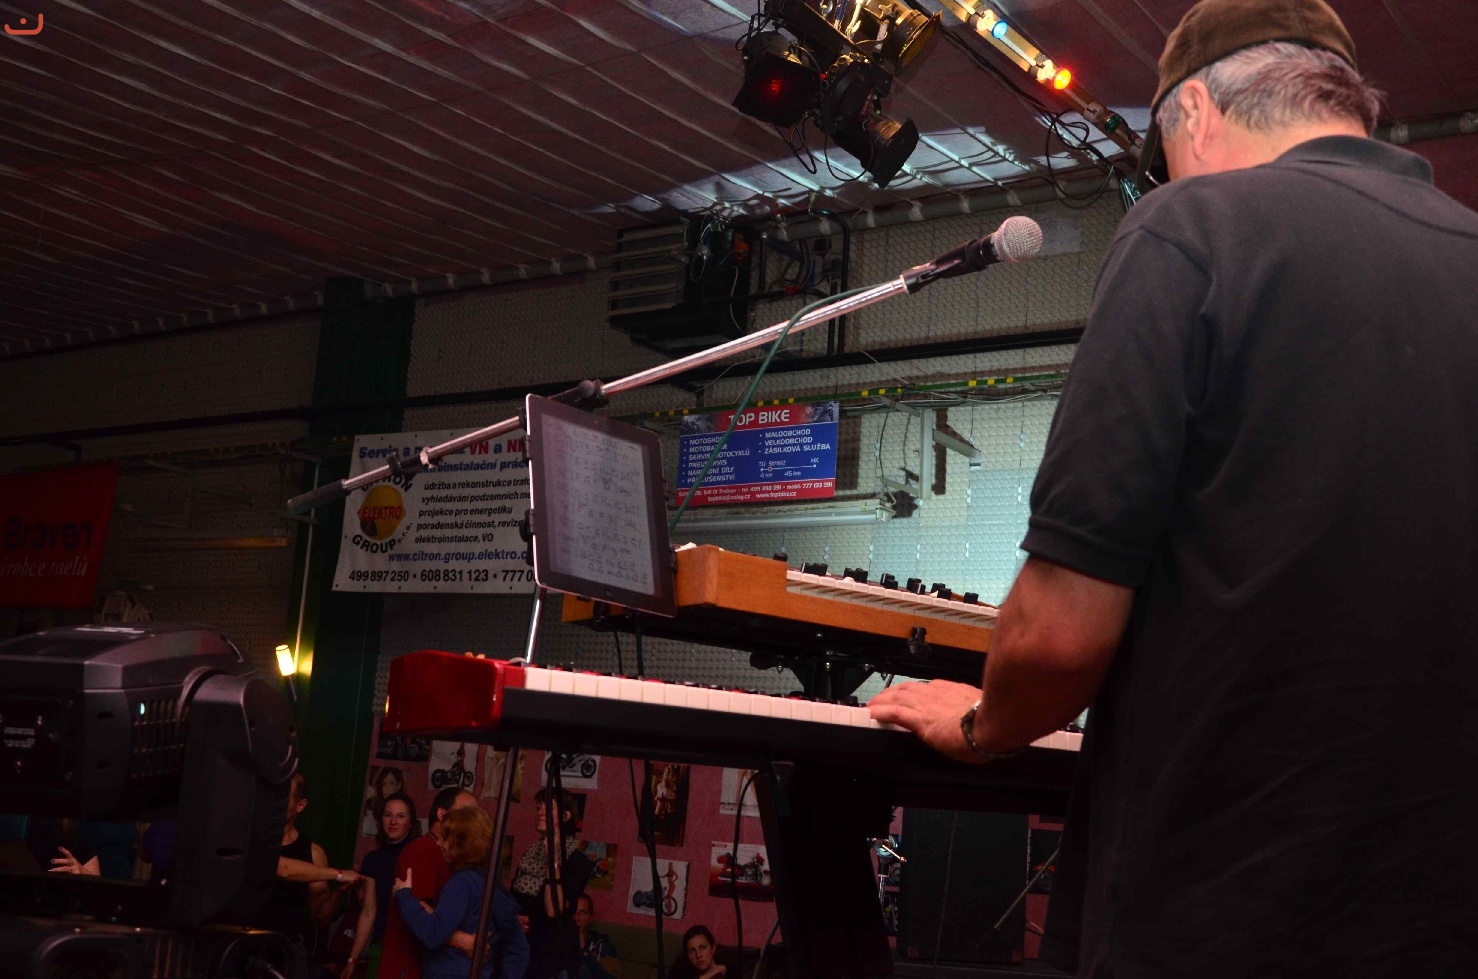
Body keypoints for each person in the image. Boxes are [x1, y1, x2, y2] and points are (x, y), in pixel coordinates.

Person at [868, 0, 1478, 975]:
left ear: (1191, 109)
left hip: (1226, 906)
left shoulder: (1193, 227)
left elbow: (1061, 632)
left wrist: (981, 725)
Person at [392, 806, 528, 979]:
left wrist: (403, 895)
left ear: (461, 844)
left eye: (445, 838)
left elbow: (433, 933)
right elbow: (519, 948)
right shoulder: (491, 884)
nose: (439, 843)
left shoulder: (462, 884)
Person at [379, 787, 479, 979]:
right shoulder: (422, 850)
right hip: (408, 967)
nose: (472, 821)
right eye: (466, 813)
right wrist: (464, 941)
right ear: (442, 815)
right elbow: (418, 907)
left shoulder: (453, 858)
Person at [265, 772, 363, 951]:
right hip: (245, 942)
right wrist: (339, 874)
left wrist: (340, 893)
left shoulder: (313, 853)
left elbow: (320, 917)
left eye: (283, 796)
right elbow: (282, 868)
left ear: (300, 805)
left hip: (288, 949)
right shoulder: (253, 837)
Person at [509, 788, 595, 979]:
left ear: (566, 816)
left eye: (548, 808)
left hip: (550, 957)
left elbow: (553, 909)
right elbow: (512, 899)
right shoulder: (530, 855)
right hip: (519, 950)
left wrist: (553, 855)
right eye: (539, 807)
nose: (540, 812)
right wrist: (513, 918)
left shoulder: (578, 862)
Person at [360, 792, 422, 963]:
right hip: (379, 943)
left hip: (409, 947)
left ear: (410, 823)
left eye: (401, 816)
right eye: (388, 815)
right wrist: (352, 959)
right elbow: (368, 912)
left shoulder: (418, 857)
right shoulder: (373, 860)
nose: (393, 822)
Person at [571, 894, 620, 979]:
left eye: (582, 913)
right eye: (573, 912)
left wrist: (585, 952)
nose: (577, 918)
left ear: (590, 917)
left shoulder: (603, 944)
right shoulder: (558, 940)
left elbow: (612, 976)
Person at [667, 926, 738, 979]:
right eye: (691, 951)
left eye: (702, 948)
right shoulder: (681, 973)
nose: (698, 955)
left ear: (713, 948)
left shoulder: (730, 971)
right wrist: (707, 976)